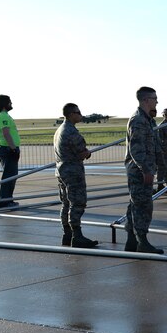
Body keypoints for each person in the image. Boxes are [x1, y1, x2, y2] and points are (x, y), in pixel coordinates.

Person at [125, 86, 164, 253]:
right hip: (140, 171)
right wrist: (146, 170)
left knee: (135, 204)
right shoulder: (139, 120)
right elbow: (136, 149)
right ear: (146, 100)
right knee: (143, 206)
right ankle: (142, 241)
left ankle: (132, 240)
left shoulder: (147, 119)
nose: (157, 101)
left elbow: (152, 145)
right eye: (154, 98)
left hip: (143, 169)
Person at [53, 103, 97, 248]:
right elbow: (82, 152)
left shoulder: (59, 130)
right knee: (77, 203)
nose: (80, 115)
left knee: (65, 203)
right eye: (78, 112)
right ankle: (76, 235)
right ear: (71, 114)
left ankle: (67, 234)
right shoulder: (71, 131)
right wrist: (88, 153)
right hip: (72, 172)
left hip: (61, 171)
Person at [0, 94, 21, 208]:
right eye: (10, 102)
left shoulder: (3, 116)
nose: (11, 104)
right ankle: (4, 201)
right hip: (8, 149)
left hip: (8, 148)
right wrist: (13, 148)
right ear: (5, 104)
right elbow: (6, 133)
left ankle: (8, 199)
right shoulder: (3, 116)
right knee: (9, 177)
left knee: (11, 176)